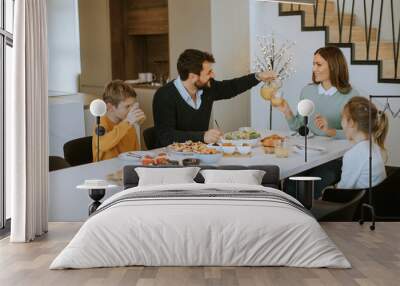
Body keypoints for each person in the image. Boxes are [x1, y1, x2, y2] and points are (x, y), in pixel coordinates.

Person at [153, 49, 276, 147]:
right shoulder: (164, 96)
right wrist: (202, 136)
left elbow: (231, 87)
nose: (213, 75)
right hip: (171, 159)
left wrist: (258, 76)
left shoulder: (207, 88)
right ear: (192, 77)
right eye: (208, 72)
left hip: (201, 153)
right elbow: (166, 137)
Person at [276, 46, 359, 139]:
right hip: (308, 149)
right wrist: (287, 112)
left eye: (319, 65)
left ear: (333, 67)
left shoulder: (351, 96)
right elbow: (299, 128)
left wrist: (329, 131)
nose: (314, 69)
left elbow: (356, 133)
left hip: (336, 150)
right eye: (313, 64)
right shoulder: (307, 91)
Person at [337, 96, 388, 189]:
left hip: (358, 202)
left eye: (342, 118)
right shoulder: (374, 148)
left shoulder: (353, 155)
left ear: (351, 122)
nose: (341, 123)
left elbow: (342, 190)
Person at [92, 80, 146, 161]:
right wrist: (127, 122)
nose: (131, 110)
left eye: (133, 105)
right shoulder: (101, 123)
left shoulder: (127, 121)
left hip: (126, 166)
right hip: (106, 170)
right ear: (110, 107)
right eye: (127, 106)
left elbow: (135, 151)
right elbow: (103, 144)